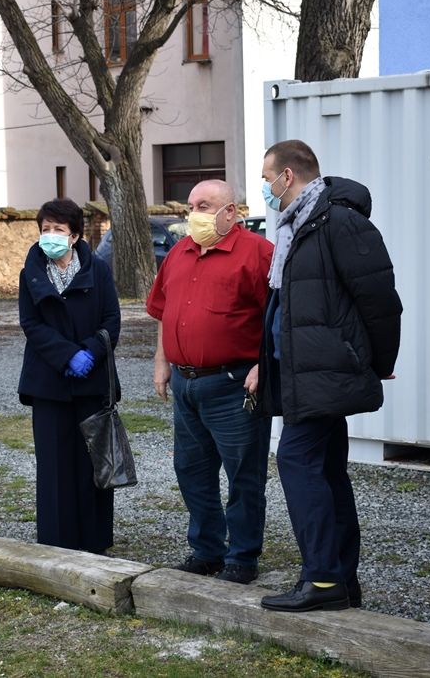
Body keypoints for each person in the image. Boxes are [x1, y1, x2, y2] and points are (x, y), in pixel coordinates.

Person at [255, 139, 402, 612]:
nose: (265, 189)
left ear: (288, 176)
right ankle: (340, 579)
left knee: (297, 461)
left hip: (326, 371)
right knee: (326, 472)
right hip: (303, 372)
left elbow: (380, 299)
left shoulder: (338, 222)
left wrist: (380, 361)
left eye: (267, 179)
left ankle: (322, 579)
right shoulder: (295, 227)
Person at [146, 179, 274, 584]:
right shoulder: (179, 252)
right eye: (191, 206)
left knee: (243, 475)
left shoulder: (258, 253)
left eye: (204, 206)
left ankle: (242, 557)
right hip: (186, 383)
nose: (194, 214)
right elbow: (164, 310)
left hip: (234, 384)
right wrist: (161, 360)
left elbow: (279, 316)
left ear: (230, 211)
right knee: (191, 470)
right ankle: (206, 550)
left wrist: (265, 365)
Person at [17, 198, 121, 553]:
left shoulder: (98, 270)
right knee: (55, 466)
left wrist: (90, 351)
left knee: (93, 463)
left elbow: (112, 320)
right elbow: (31, 324)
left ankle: (95, 541)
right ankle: (57, 543)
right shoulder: (31, 272)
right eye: (45, 229)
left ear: (74, 235)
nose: (50, 235)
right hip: (49, 383)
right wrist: (67, 355)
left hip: (92, 381)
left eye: (58, 229)